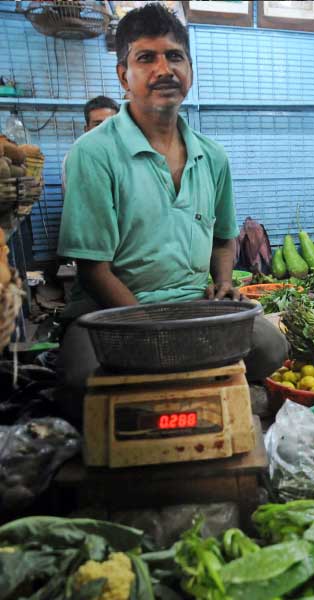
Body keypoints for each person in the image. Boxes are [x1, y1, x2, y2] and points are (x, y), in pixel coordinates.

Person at [57, 3, 287, 391]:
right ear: (123, 76)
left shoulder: (213, 156)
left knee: (271, 348)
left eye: (175, 56)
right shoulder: (93, 152)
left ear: (190, 71)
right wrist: (153, 335)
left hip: (194, 304)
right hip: (111, 312)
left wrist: (224, 281)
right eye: (146, 58)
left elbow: (222, 240)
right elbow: (93, 271)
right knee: (83, 382)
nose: (164, 69)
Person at [61, 95, 120, 195]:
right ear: (86, 129)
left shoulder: (129, 154)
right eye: (98, 124)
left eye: (110, 123)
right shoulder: (76, 157)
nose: (104, 129)